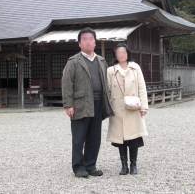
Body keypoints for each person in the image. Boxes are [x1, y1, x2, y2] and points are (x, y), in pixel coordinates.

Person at [61, 27, 114, 178]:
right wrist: (68, 104)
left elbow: (106, 84)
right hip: (80, 105)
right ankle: (78, 167)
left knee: (94, 137)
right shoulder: (74, 61)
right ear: (79, 43)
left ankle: (90, 165)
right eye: (84, 39)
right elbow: (66, 83)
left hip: (98, 104)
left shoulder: (101, 61)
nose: (88, 42)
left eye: (91, 39)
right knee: (79, 138)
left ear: (95, 42)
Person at [106, 42, 149, 175]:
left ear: (127, 53)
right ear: (115, 55)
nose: (121, 55)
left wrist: (144, 106)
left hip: (133, 108)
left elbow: (142, 87)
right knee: (121, 139)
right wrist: (107, 109)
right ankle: (124, 165)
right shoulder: (111, 70)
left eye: (123, 52)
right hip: (117, 108)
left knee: (134, 138)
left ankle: (134, 164)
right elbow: (107, 91)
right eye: (119, 53)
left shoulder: (135, 68)